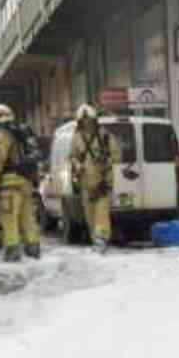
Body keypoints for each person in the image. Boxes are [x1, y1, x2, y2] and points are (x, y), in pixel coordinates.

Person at [0, 104, 40, 262]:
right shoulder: (21, 133)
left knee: (8, 217)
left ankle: (12, 252)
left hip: (9, 183)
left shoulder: (2, 135)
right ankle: (33, 249)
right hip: (26, 182)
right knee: (27, 217)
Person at [69, 104, 120, 254]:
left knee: (101, 213)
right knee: (90, 216)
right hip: (85, 183)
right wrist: (77, 164)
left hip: (102, 181)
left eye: (89, 120)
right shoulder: (76, 137)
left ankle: (101, 238)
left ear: (94, 119)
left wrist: (106, 160)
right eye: (83, 120)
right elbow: (72, 156)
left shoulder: (105, 136)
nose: (86, 123)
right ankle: (95, 239)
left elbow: (116, 155)